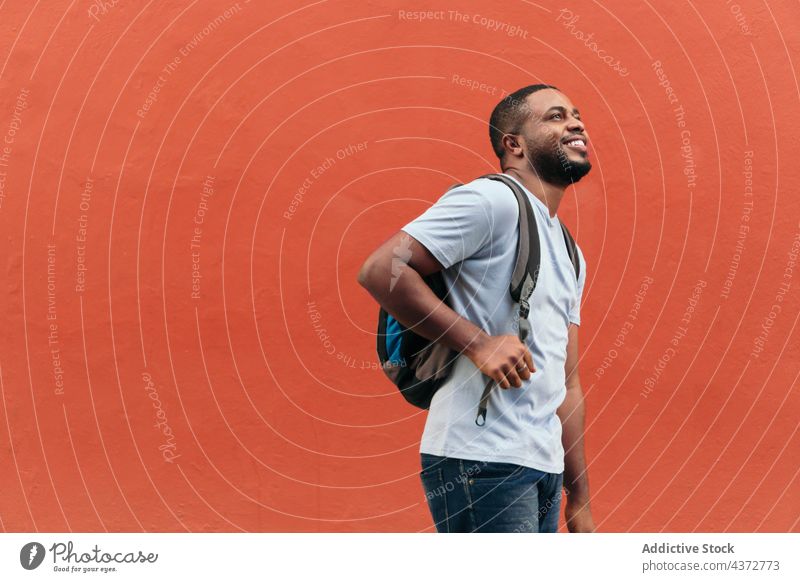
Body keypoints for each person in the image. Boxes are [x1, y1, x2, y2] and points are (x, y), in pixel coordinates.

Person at [357, 84, 595, 533]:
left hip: (542, 467)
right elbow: (381, 268)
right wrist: (478, 343)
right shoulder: (492, 200)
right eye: (556, 116)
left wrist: (578, 495)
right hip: (480, 460)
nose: (576, 123)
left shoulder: (569, 250)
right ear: (514, 144)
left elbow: (568, 381)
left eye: (577, 115)